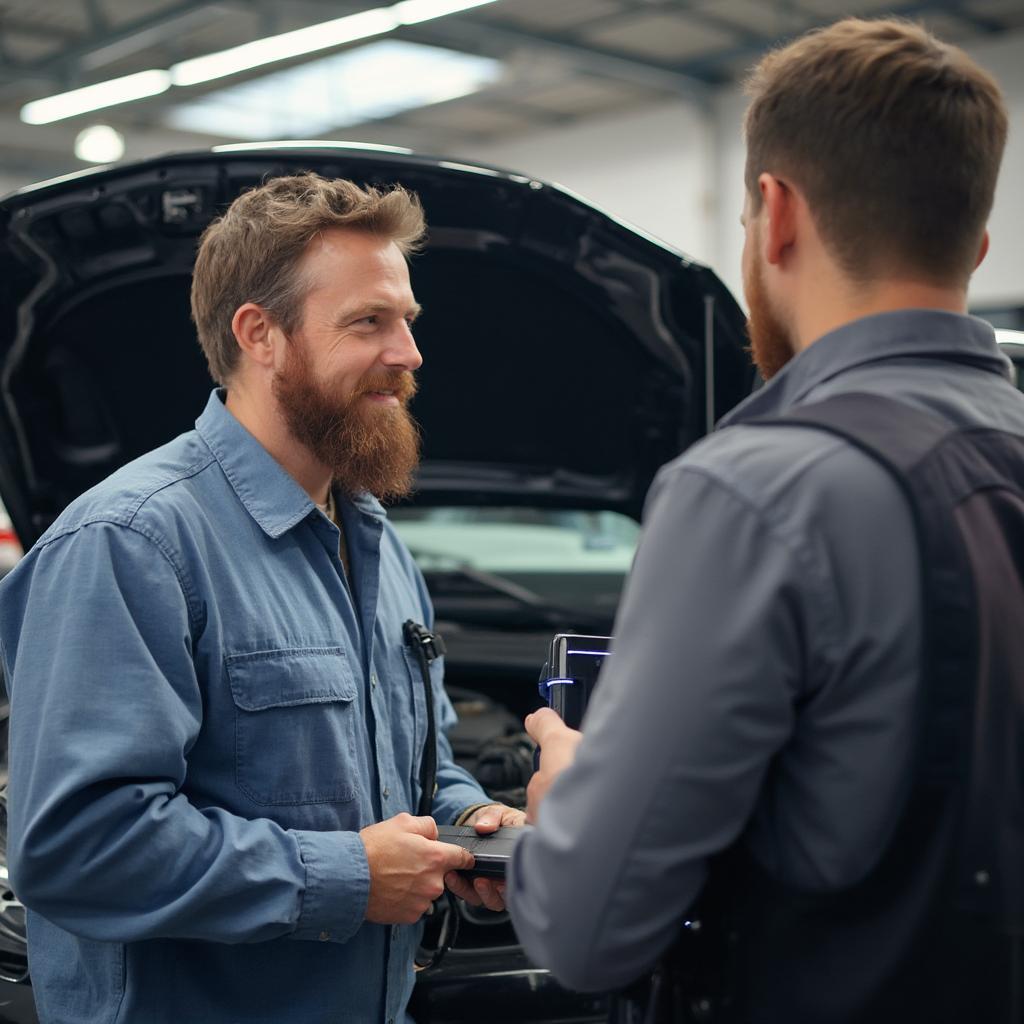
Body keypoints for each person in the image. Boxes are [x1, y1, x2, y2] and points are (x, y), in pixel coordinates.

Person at [507, 16, 1019, 1022]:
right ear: (976, 242)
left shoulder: (757, 489)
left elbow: (585, 930)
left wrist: (565, 792)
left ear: (774, 214)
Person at [0, 173, 521, 1024]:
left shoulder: (376, 544)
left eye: (408, 322)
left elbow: (412, 762)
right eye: (369, 322)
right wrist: (352, 876)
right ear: (260, 335)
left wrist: (467, 823)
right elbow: (76, 848)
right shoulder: (131, 544)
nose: (410, 353)